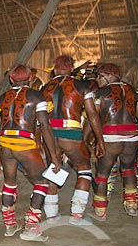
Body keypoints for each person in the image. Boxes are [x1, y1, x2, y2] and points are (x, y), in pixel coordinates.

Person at [0, 64, 61, 241]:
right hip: (24, 142)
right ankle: (31, 227)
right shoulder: (36, 96)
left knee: (9, 182)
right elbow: (45, 125)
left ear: (11, 79)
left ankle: (9, 224)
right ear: (30, 78)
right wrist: (54, 157)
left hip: (5, 142)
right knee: (42, 182)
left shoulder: (3, 97)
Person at [41, 55, 105, 225]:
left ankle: (52, 213)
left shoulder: (45, 87)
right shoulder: (82, 86)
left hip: (49, 133)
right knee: (84, 168)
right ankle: (77, 213)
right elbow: (92, 114)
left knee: (53, 168)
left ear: (54, 69)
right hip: (71, 132)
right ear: (71, 68)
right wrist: (100, 140)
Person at [91, 63, 138, 220]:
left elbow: (93, 117)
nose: (97, 79)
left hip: (110, 136)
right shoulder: (134, 92)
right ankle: (132, 205)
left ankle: (100, 210)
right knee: (129, 170)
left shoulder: (100, 93)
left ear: (109, 76)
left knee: (103, 172)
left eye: (100, 76)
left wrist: (87, 137)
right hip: (132, 136)